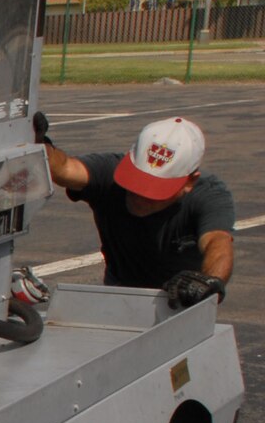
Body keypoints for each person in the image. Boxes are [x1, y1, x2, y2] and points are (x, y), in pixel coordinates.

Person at [36, 113, 236, 308]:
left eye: (155, 191)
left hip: (180, 299)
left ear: (189, 182)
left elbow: (217, 242)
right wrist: (37, 143)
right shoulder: (109, 172)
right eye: (137, 182)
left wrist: (208, 280)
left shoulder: (209, 195)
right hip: (119, 290)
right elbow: (64, 169)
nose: (141, 196)